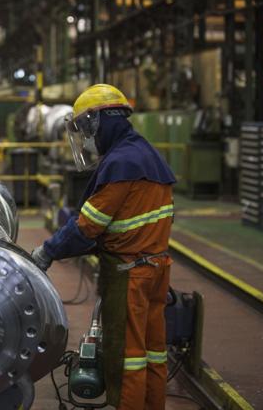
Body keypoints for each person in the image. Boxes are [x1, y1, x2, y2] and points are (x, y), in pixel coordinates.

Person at [31, 84, 176, 410]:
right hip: (156, 268)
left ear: (100, 123)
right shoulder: (147, 154)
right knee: (153, 353)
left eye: (86, 129)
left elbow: (88, 225)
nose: (87, 139)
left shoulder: (122, 163)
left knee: (126, 357)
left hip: (129, 275)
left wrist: (48, 251)